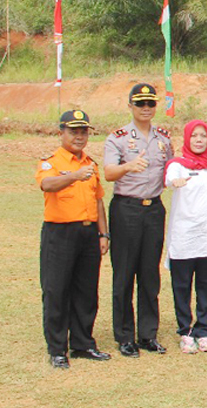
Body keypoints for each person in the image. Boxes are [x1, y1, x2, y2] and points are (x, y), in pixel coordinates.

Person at [103, 83, 173, 357]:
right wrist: (128, 166)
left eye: (150, 104)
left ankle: (147, 335)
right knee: (124, 273)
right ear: (129, 105)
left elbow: (172, 169)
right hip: (126, 209)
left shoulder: (164, 138)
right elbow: (108, 173)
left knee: (149, 273)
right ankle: (124, 336)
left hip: (153, 210)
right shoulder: (118, 138)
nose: (146, 109)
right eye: (140, 104)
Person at [38, 110, 111, 369]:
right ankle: (58, 349)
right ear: (61, 133)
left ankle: (83, 343)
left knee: (86, 290)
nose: (79, 137)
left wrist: (103, 233)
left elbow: (99, 200)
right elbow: (47, 185)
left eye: (83, 132)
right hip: (60, 234)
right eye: (73, 131)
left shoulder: (90, 163)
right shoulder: (52, 162)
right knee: (57, 290)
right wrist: (72, 176)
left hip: (88, 233)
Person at [164, 120, 207, 354]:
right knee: (181, 285)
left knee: (206, 285)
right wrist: (174, 182)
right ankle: (185, 331)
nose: (199, 140)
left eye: (203, 136)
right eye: (195, 136)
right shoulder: (178, 165)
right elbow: (169, 178)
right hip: (186, 235)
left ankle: (202, 329)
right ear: (187, 139)